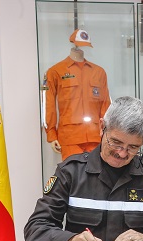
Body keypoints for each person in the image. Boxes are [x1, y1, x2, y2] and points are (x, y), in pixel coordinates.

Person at [25, 96, 143, 241]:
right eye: (116, 142)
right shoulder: (71, 172)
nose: (122, 153)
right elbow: (35, 228)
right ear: (101, 127)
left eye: (133, 147)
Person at [42, 29, 111, 160]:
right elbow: (48, 104)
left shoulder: (99, 72)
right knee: (72, 176)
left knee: (96, 176)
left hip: (95, 136)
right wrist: (51, 135)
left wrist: (108, 134)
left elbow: (106, 104)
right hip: (69, 137)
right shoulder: (56, 71)